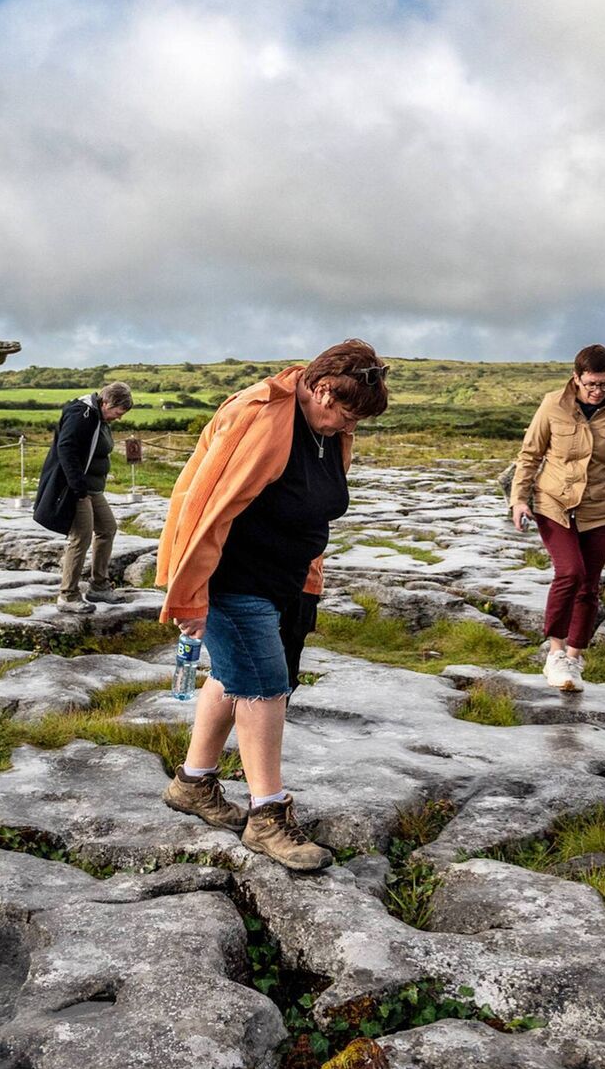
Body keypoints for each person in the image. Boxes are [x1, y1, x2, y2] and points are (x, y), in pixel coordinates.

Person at [157, 341, 389, 870]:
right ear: (322, 388)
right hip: (233, 578)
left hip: (286, 579)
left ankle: (192, 782)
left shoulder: (327, 426)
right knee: (264, 684)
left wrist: (310, 577)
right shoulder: (259, 416)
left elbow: (312, 512)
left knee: (239, 673)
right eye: (346, 414)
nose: (346, 427)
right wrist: (189, 593)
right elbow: (204, 507)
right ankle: (267, 817)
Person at [510, 344, 605, 693]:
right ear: (576, 377)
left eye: (604, 385)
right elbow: (530, 454)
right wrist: (519, 499)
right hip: (553, 504)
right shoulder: (553, 404)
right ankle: (555, 651)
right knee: (571, 572)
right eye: (591, 384)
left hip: (600, 509)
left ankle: (574, 659)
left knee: (589, 585)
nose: (597, 391)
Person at [33, 382, 134, 613]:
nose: (118, 418)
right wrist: (78, 490)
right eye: (118, 412)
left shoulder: (99, 417)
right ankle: (67, 595)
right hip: (77, 488)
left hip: (92, 488)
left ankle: (99, 586)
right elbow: (65, 449)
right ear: (107, 402)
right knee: (81, 537)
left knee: (107, 528)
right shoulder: (83, 415)